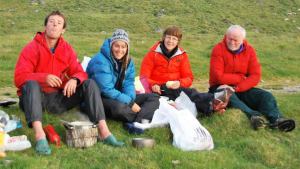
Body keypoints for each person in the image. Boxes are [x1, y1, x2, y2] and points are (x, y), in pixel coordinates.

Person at [14, 11, 124, 155]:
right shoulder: (31, 48)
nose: (54, 25)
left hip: (58, 99)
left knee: (89, 83)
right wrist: (43, 77)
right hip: (35, 99)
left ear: (63, 30)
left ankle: (104, 132)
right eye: (51, 22)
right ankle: (40, 135)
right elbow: (19, 77)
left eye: (59, 23)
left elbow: (80, 72)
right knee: (31, 83)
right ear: (45, 26)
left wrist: (75, 79)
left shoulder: (67, 49)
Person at [209, 25, 296, 132]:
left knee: (265, 96)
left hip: (241, 88)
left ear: (242, 40)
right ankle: (254, 117)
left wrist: (238, 88)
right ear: (225, 36)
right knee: (227, 93)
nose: (231, 42)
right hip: (218, 88)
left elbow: (256, 76)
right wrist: (241, 77)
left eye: (235, 40)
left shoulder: (249, 51)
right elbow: (219, 77)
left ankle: (277, 120)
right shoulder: (218, 49)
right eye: (229, 39)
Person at [140, 26, 231, 116]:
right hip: (158, 89)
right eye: (168, 37)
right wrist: (153, 85)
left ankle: (214, 105)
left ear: (178, 41)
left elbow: (189, 78)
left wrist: (179, 83)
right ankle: (215, 102)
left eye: (174, 39)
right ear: (164, 38)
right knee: (189, 95)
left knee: (190, 94)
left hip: (175, 88)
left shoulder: (182, 55)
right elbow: (143, 78)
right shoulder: (152, 54)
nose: (170, 41)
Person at [87, 29, 160, 133]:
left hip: (119, 96)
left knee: (154, 97)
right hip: (100, 98)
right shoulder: (101, 60)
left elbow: (129, 82)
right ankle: (143, 119)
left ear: (127, 47)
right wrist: (130, 103)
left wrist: (130, 98)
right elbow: (106, 90)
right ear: (111, 45)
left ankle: (135, 123)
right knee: (119, 108)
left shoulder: (128, 61)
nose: (120, 50)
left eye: (123, 46)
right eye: (117, 46)